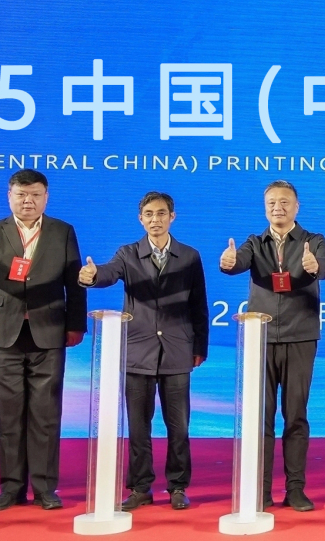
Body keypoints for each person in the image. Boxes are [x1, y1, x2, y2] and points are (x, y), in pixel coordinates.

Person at [0, 169, 87, 511]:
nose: (28, 201)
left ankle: (45, 488)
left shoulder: (63, 231)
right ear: (10, 197)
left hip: (48, 330)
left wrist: (76, 325)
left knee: (45, 414)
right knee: (7, 415)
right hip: (3, 332)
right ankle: (11, 488)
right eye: (21, 195)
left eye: (35, 195)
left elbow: (74, 281)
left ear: (46, 197)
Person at [80, 191, 210, 511]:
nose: (155, 219)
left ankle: (177, 486)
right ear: (140, 219)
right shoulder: (128, 254)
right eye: (149, 214)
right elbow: (109, 272)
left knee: (179, 427)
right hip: (138, 352)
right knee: (139, 427)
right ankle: (140, 487)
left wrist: (199, 346)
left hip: (177, 351)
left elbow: (199, 305)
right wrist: (93, 276)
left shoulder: (189, 256)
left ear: (172, 217)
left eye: (161, 213)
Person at [217, 180, 325, 511]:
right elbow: (238, 262)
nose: (277, 207)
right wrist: (228, 262)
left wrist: (316, 267)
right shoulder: (255, 243)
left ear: (297, 207)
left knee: (295, 415)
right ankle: (262, 489)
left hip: (300, 337)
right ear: (265, 207)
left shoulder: (313, 240)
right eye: (271, 202)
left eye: (284, 201)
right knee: (262, 417)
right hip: (262, 339)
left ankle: (295, 489)